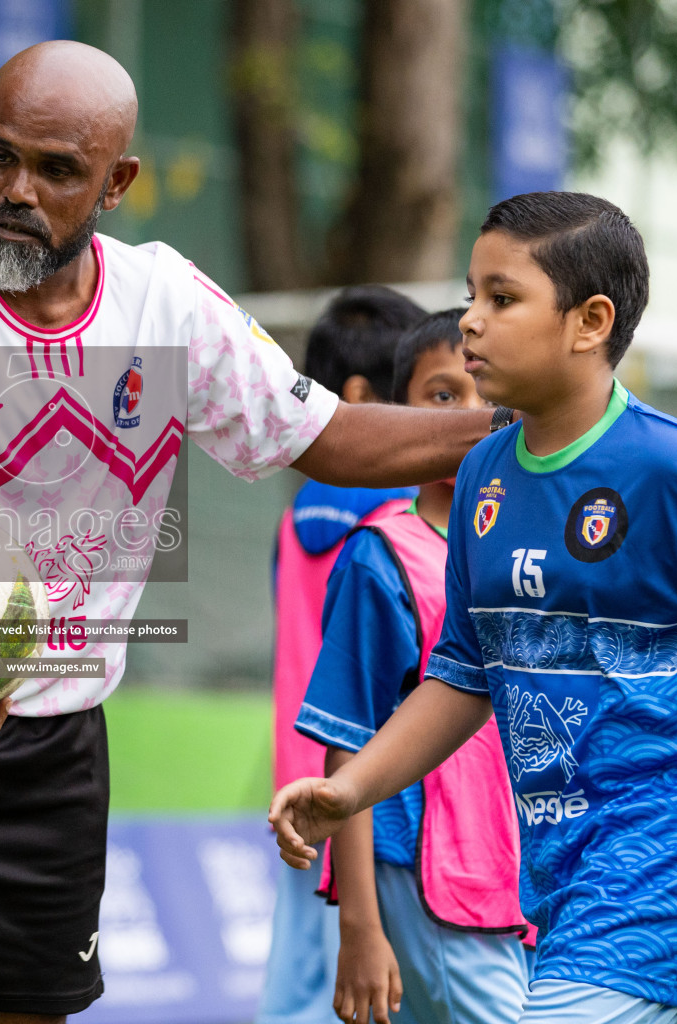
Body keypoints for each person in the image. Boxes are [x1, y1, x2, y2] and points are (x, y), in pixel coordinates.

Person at [0, 41, 501, 1024]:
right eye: (1, 156)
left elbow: (329, 434)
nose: (17, 190)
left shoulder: (167, 304)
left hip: (47, 746)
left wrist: (519, 428)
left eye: (57, 170)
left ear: (116, 183)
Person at [271, 192, 677, 1024]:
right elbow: (460, 680)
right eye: (470, 295)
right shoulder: (486, 477)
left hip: (670, 874)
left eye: (502, 298)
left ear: (590, 321)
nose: (471, 324)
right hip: (560, 885)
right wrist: (353, 793)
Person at [295, 310, 530, 1024]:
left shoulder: (522, 562)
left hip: (508, 881)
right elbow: (348, 743)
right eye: (441, 396)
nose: (469, 417)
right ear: (402, 420)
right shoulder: (382, 558)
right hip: (420, 872)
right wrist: (359, 923)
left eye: (486, 399)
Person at [261, 285, 424, 1024]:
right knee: (369, 988)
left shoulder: (294, 522)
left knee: (299, 985)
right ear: (361, 396)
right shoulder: (397, 525)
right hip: (369, 799)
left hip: (294, 789)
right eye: (427, 394)